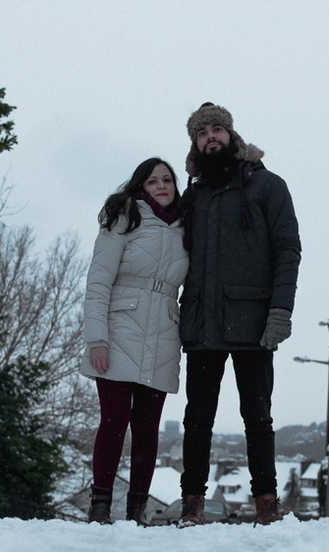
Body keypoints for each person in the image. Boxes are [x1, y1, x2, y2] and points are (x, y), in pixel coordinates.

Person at [176, 102, 301, 527]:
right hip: (202, 323)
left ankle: (266, 503)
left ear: (231, 135)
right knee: (197, 420)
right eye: (202, 132)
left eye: (217, 129)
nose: (211, 137)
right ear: (195, 142)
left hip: (252, 322)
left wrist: (281, 310)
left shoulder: (268, 186)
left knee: (258, 418)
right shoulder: (192, 196)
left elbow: (288, 250)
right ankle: (191, 504)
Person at [80, 158, 189, 525]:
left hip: (163, 334)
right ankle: (99, 507)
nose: (161, 185)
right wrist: (97, 338)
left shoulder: (186, 227)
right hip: (119, 328)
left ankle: (137, 511)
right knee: (114, 420)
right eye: (153, 180)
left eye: (167, 179)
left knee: (147, 428)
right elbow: (98, 282)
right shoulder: (126, 216)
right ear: (141, 186)